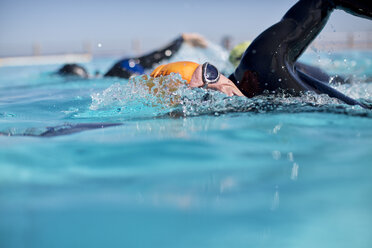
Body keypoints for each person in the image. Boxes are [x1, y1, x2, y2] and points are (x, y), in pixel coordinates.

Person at [149, 0, 371, 109]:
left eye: (210, 73)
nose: (218, 88)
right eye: (203, 93)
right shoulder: (261, 69)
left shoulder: (261, 65)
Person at [56, 33, 208, 78]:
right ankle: (180, 39)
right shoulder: (104, 72)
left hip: (123, 67)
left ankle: (181, 39)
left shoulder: (101, 77)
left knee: (146, 74)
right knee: (159, 56)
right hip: (126, 63)